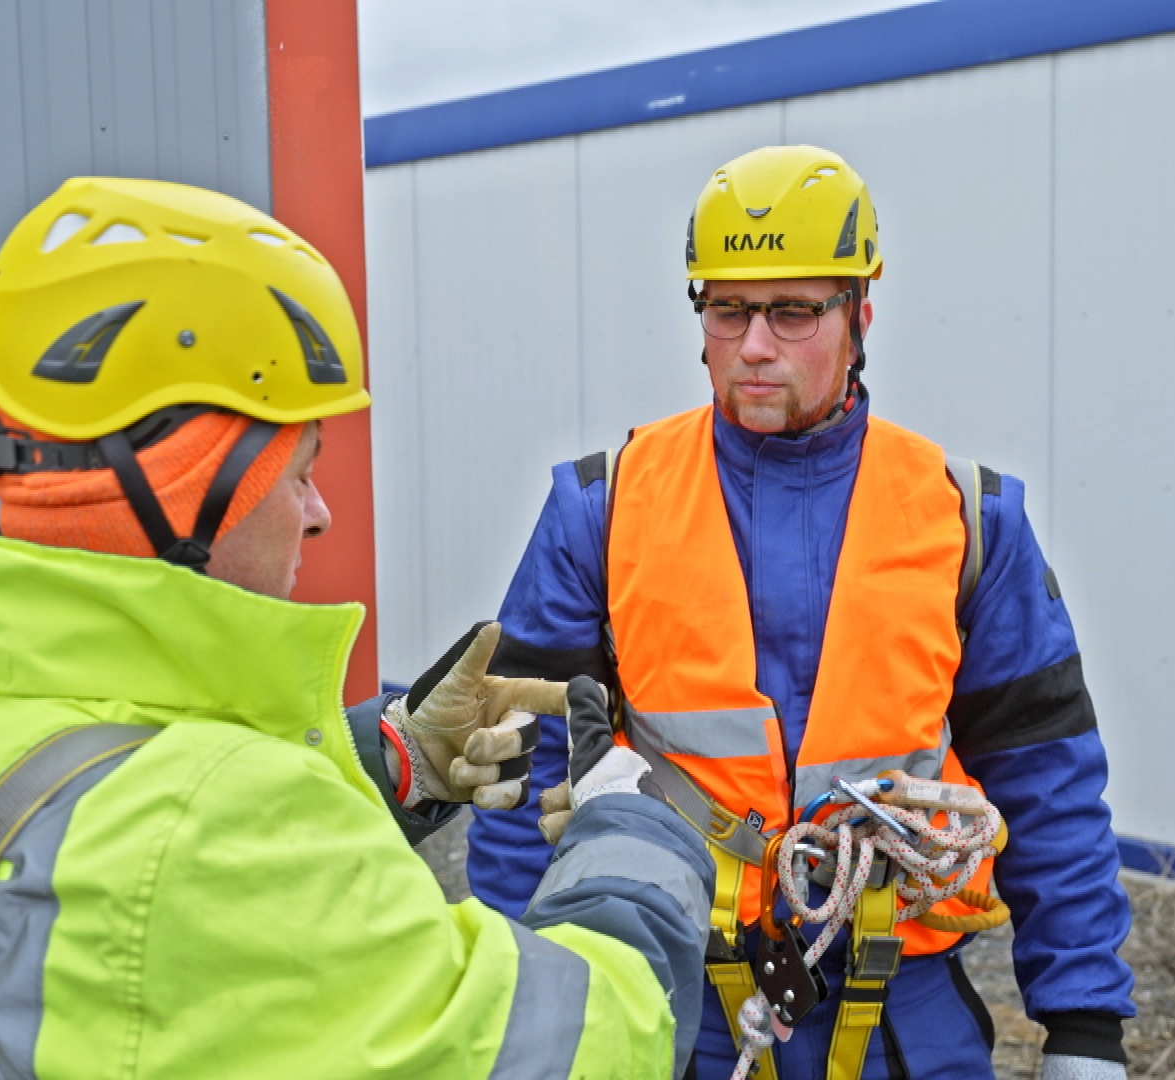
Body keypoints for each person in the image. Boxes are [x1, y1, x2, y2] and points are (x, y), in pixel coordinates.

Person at [0, 177, 712, 1080]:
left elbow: (115, 794)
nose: (319, 513)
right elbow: (591, 1044)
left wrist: (386, 760)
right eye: (299, 471)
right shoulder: (210, 833)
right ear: (193, 481)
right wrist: (631, 835)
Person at [466, 146, 1137, 1080]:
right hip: (673, 1000)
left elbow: (1046, 777)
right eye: (728, 309)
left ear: (860, 315)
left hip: (905, 1019)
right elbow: (520, 771)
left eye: (793, 311)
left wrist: (1083, 1027)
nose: (753, 344)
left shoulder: (966, 517)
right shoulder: (606, 508)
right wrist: (524, 1002)